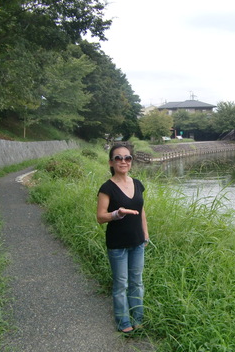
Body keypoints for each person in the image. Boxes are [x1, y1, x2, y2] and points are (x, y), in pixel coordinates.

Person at [96, 143, 149, 334]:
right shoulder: (107, 188)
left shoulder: (137, 184)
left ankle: (138, 319)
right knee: (121, 285)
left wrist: (145, 234)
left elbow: (142, 212)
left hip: (137, 242)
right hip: (117, 244)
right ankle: (123, 321)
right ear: (111, 162)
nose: (123, 161)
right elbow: (100, 217)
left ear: (131, 162)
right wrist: (117, 214)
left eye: (127, 158)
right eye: (118, 158)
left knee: (137, 282)